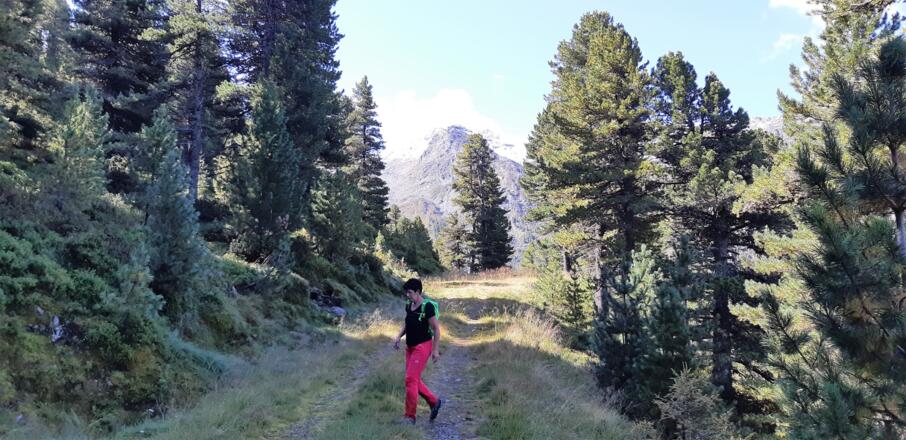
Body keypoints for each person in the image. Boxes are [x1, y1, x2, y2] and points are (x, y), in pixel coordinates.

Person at [393, 278, 443, 424]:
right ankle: (434, 402)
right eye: (406, 292)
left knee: (410, 379)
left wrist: (436, 350)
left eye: (410, 292)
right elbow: (407, 323)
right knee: (413, 379)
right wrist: (398, 337)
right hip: (410, 347)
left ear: (418, 292)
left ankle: (410, 417)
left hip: (423, 346)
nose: (407, 295)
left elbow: (436, 329)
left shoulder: (427, 307)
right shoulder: (409, 305)